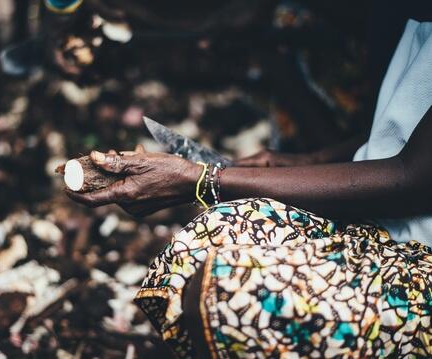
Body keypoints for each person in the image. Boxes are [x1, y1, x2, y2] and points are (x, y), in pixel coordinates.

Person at [66, 11, 432, 359]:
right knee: (210, 237)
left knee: (226, 294)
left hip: (421, 251)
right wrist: (306, 161)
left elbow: (412, 179)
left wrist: (203, 179)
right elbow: (400, 133)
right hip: (386, 222)